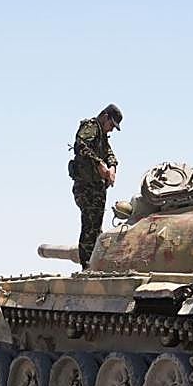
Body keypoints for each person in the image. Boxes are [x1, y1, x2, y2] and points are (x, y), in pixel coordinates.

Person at [69, 104, 122, 269]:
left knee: (96, 227)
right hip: (86, 187)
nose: (112, 129)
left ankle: (94, 264)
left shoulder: (102, 136)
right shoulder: (91, 127)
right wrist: (99, 164)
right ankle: (86, 265)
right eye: (111, 125)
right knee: (89, 227)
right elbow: (81, 146)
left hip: (97, 189)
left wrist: (112, 167)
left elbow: (110, 154)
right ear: (105, 117)